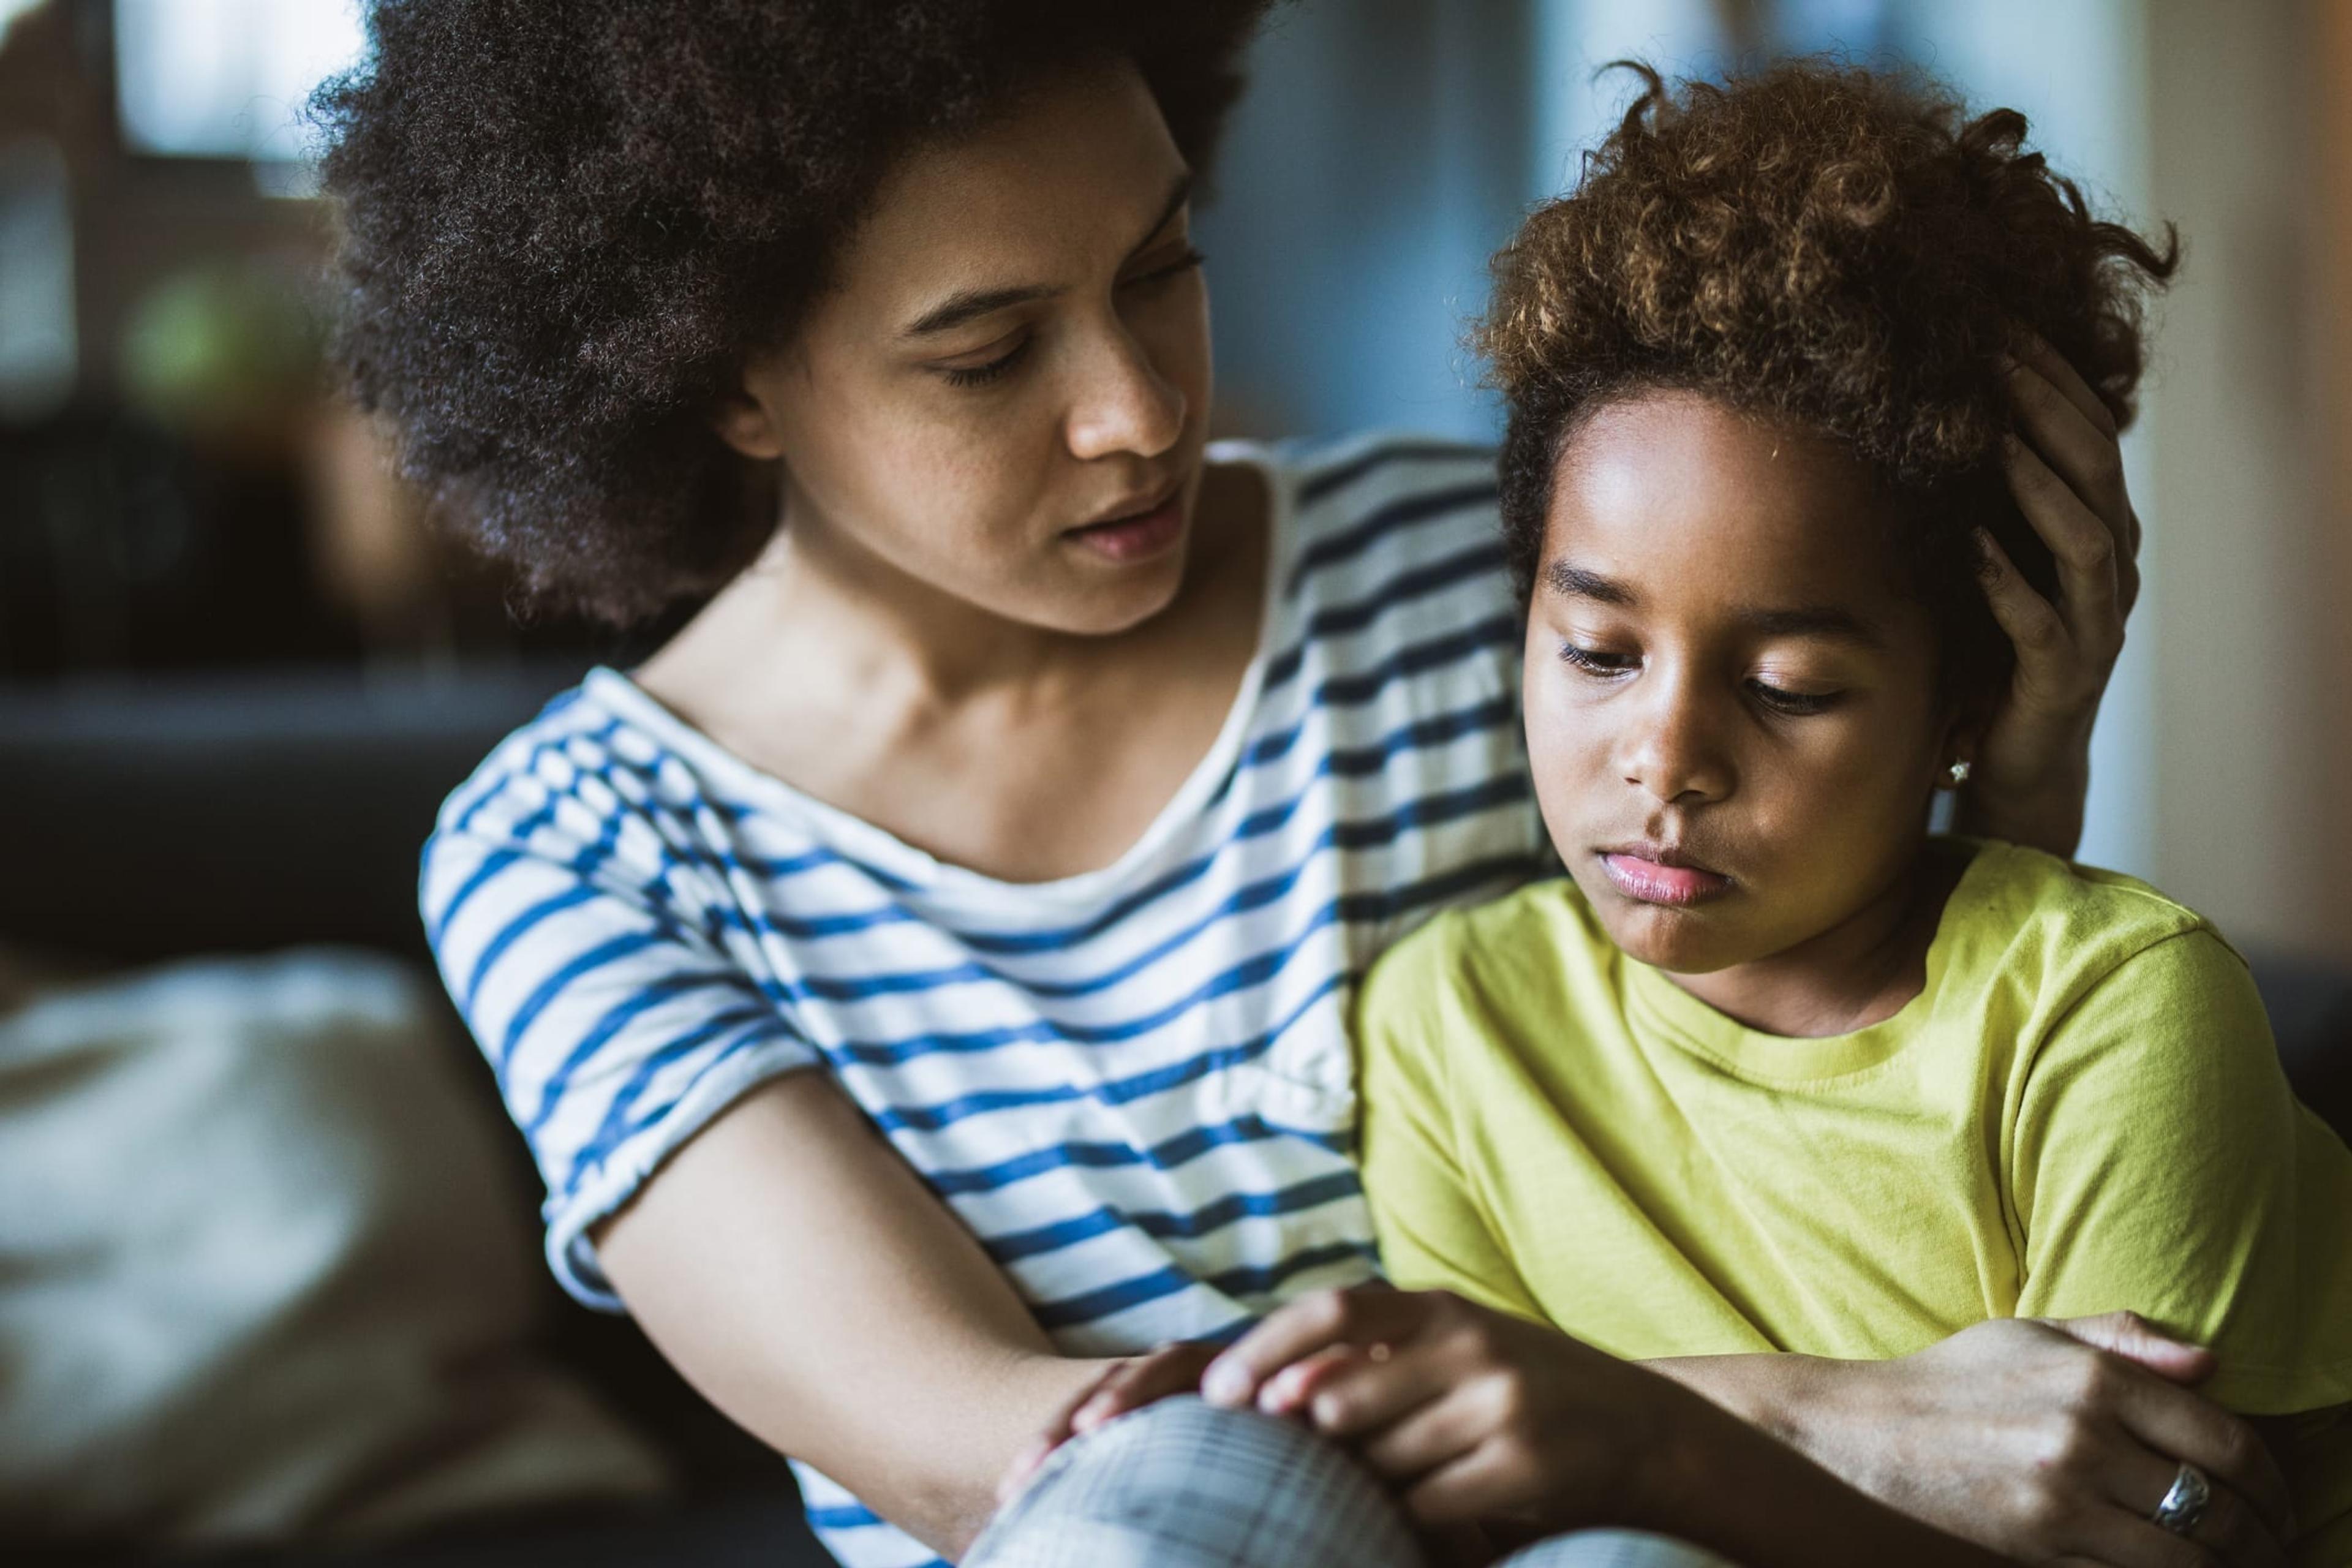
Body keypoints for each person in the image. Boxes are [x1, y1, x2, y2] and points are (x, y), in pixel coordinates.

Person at [313, 6, 2282, 1564]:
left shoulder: (1482, 595)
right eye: (991, 354)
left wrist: (2004, 791)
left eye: (1161, 267)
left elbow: (1833, 1087)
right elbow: (988, 1457)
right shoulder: (580, 858)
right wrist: (1785, 1423)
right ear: (727, 378)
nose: (1144, 403)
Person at [1182, 62, 2352, 1568]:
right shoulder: (1447, 1032)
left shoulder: (2118, 1014)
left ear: (1967, 699)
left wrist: (1650, 1436)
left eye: (1792, 685)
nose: (1664, 758)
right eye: (1598, 653)